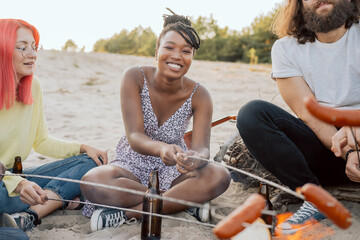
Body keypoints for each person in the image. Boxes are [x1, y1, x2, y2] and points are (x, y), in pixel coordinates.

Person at [80, 12, 231, 232]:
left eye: (186, 51)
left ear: (192, 57)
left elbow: (202, 148)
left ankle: (128, 214)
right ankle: (179, 202)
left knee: (220, 175)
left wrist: (196, 158)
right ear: (157, 51)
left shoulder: (201, 95)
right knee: (91, 182)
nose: (177, 56)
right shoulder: (134, 77)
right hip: (132, 165)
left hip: (174, 171)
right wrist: (162, 148)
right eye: (169, 47)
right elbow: (135, 136)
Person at [236, 0, 360, 235]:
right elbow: (308, 115)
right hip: (328, 148)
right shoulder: (285, 49)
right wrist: (349, 151)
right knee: (253, 114)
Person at [0, 19, 108, 232]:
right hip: (7, 183)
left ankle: (30, 215)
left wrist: (83, 147)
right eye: (22, 47)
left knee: (90, 163)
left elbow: (41, 141)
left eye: (34, 47)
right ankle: (61, 200)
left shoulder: (34, 87)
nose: (32, 54)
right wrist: (19, 184)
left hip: (16, 178)